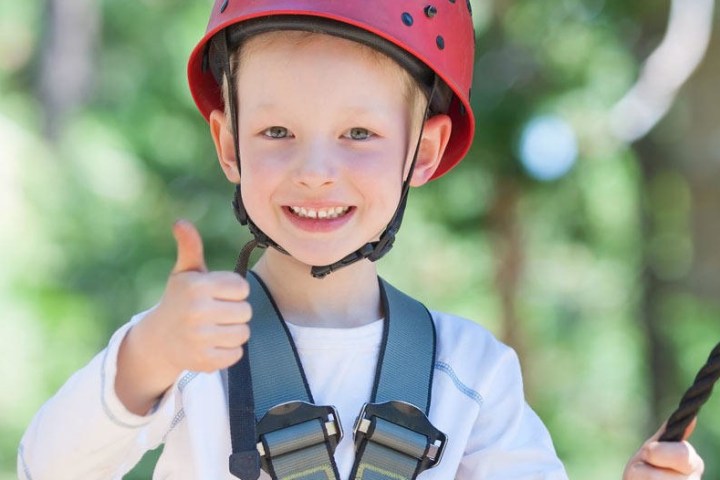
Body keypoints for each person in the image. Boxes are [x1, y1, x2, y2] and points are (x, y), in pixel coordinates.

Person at [19, 1, 705, 479]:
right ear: (229, 144)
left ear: (425, 151)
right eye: (277, 133)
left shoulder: (469, 374)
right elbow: (44, 468)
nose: (316, 172)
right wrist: (147, 358)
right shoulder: (192, 344)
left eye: (359, 135)